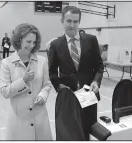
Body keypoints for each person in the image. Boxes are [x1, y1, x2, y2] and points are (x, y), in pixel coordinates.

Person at [48, 6, 104, 140]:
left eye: (75, 21)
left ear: (79, 22)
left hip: (88, 95)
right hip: (68, 97)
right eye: (68, 21)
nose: (72, 25)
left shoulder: (91, 40)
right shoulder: (55, 45)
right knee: (69, 131)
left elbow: (99, 65)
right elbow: (52, 73)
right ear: (62, 21)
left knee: (87, 130)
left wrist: (96, 81)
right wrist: (60, 87)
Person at [0, 23, 53, 140]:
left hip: (39, 117)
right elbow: (4, 92)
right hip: (18, 119)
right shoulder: (7, 63)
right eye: (28, 42)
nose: (32, 45)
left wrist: (43, 95)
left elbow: (47, 85)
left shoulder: (42, 61)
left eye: (34, 42)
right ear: (19, 40)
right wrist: (23, 80)